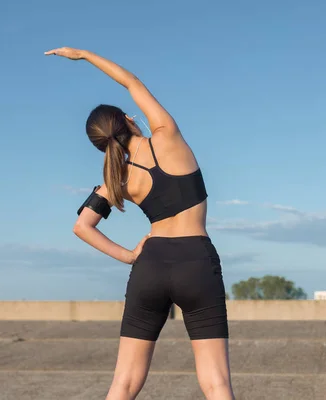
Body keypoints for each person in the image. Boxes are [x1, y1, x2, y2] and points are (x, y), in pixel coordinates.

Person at [45, 47, 235, 400]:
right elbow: (130, 81)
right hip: (196, 262)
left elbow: (82, 226)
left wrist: (130, 256)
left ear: (101, 147)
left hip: (150, 267)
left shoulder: (116, 179)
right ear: (128, 120)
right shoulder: (167, 135)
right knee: (216, 383)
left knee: (125, 383)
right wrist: (85, 55)